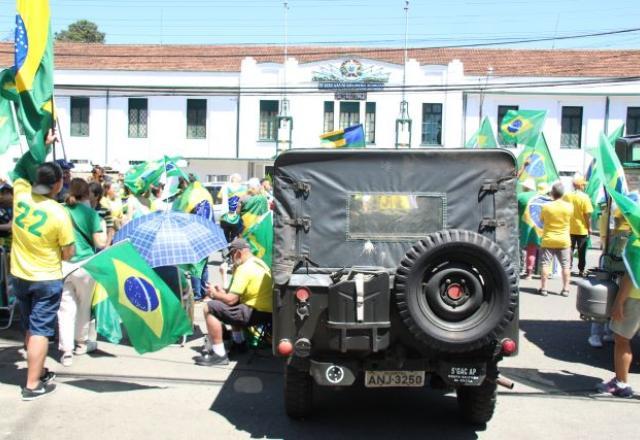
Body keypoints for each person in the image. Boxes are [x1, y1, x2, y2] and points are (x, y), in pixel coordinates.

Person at [10, 130, 76, 400]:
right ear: (58, 185)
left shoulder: (20, 193)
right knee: (40, 330)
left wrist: (41, 147)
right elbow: (68, 253)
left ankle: (37, 370)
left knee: (30, 327)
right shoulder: (59, 213)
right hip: (46, 278)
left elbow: (19, 167)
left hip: (20, 275)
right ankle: (32, 385)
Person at [195, 238, 272, 366]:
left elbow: (230, 300)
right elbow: (234, 297)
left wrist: (214, 294)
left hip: (255, 312)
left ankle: (219, 355)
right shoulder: (259, 263)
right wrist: (220, 293)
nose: (231, 259)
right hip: (267, 311)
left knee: (209, 308)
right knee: (232, 305)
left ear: (238, 253)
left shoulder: (244, 268)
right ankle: (239, 343)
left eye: (231, 255)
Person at [57, 179, 106, 367]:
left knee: (65, 309)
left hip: (63, 264)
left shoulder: (61, 211)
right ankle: (81, 343)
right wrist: (109, 234)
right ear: (87, 193)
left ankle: (66, 351)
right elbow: (100, 243)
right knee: (84, 307)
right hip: (85, 266)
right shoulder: (91, 214)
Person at [596, 273, 640, 397]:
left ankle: (621, 384)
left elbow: (632, 275)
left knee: (622, 339)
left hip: (635, 297)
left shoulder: (636, 252)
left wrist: (618, 302)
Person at [538, 182, 573, 297]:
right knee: (565, 265)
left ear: (552, 193)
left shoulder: (546, 207)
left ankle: (544, 288)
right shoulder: (569, 207)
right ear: (563, 194)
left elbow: (542, 220)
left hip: (548, 239)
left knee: (545, 264)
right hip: (564, 240)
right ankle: (566, 289)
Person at [565, 175, 593, 277]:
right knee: (582, 251)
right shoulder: (585, 197)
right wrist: (589, 227)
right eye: (583, 185)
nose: (584, 187)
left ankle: (567, 268)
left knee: (569, 250)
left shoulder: (567, 196)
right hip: (582, 229)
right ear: (580, 186)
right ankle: (581, 270)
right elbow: (587, 215)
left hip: (569, 228)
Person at [517, 178, 538, 279]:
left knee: (519, 248)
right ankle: (529, 272)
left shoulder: (521, 196)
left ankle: (518, 269)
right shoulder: (541, 196)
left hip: (523, 226)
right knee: (532, 249)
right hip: (537, 227)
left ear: (526, 187)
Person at [219, 174, 246, 243]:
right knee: (235, 236)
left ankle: (226, 251)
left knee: (225, 236)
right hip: (237, 217)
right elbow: (245, 201)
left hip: (225, 216)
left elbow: (220, 197)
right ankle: (233, 250)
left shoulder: (225, 187)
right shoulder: (243, 188)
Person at [89, 182, 114, 248]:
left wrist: (107, 246)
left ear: (96, 196)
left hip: (101, 246)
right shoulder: (84, 210)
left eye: (89, 193)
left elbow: (110, 229)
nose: (86, 195)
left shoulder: (105, 210)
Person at [0, 183, 13, 252]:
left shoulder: (16, 207)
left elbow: (10, 226)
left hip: (11, 241)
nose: (3, 196)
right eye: (2, 193)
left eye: (7, 193)